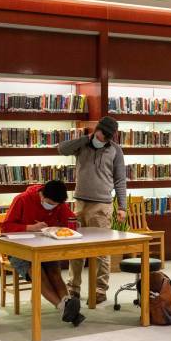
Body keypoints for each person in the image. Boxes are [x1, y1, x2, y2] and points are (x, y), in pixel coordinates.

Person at [58, 116, 126, 304]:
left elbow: (120, 180)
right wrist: (85, 138)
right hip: (80, 204)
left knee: (101, 250)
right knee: (76, 248)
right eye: (102, 135)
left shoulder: (115, 150)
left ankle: (100, 290)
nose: (104, 139)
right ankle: (74, 289)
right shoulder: (82, 146)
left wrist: (122, 207)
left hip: (102, 206)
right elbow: (62, 149)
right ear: (97, 130)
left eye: (108, 137)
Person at [1, 180, 85, 326]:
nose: (52, 207)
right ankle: (65, 308)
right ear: (42, 196)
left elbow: (69, 219)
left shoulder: (58, 202)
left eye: (55, 205)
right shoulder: (22, 199)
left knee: (55, 273)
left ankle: (67, 306)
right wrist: (30, 227)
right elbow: (6, 227)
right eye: (50, 203)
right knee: (39, 274)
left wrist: (71, 224)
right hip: (20, 250)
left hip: (45, 248)